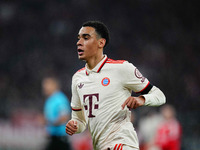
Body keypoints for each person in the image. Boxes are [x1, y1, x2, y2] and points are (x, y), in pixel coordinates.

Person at [65, 20, 166, 150]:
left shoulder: (122, 68)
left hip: (123, 144)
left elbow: (160, 95)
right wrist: (74, 125)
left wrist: (142, 99)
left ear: (101, 43)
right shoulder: (77, 78)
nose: (79, 42)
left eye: (86, 38)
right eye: (78, 38)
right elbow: (80, 121)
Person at [42, 77, 71, 150]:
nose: (44, 87)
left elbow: (64, 117)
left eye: (47, 84)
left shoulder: (60, 99)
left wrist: (49, 122)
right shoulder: (50, 100)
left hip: (60, 138)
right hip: (54, 138)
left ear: (54, 85)